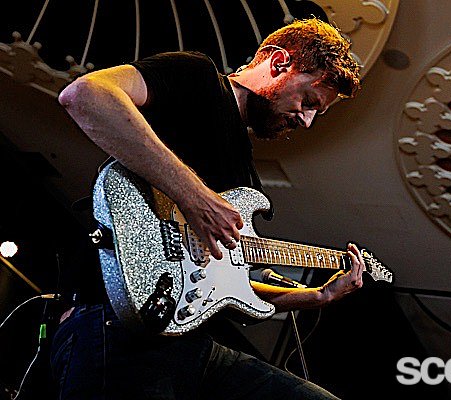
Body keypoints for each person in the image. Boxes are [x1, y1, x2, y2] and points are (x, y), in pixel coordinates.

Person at [51, 17, 363, 399]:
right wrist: (194, 196)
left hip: (191, 344)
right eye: (309, 102)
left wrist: (317, 297)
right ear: (280, 62)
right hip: (116, 326)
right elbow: (85, 94)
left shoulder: (246, 178)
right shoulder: (197, 77)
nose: (307, 120)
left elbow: (227, 288)